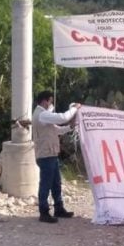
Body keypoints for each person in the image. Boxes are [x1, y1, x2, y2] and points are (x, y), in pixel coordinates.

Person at [32, 91, 81, 223]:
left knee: (56, 184)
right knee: (46, 184)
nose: (51, 104)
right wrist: (74, 109)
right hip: (45, 155)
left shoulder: (43, 115)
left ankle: (59, 208)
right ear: (45, 101)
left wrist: (70, 127)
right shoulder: (42, 115)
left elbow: (56, 130)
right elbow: (62, 117)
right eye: (50, 101)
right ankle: (44, 212)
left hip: (51, 154)